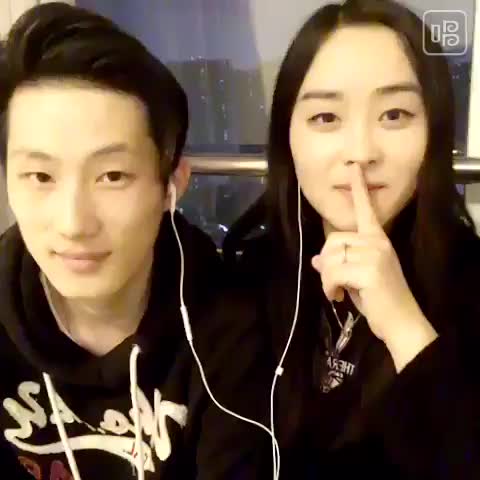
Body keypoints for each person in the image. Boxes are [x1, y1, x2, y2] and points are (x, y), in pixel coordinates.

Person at [0, 3, 270, 479]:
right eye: (40, 176)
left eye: (112, 176)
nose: (73, 223)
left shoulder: (228, 328)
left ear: (172, 184)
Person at [225, 0, 480, 477]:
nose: (360, 152)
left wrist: (404, 325)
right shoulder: (249, 276)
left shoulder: (470, 282)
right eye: (326, 118)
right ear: (287, 137)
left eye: (395, 114)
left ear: (435, 131)